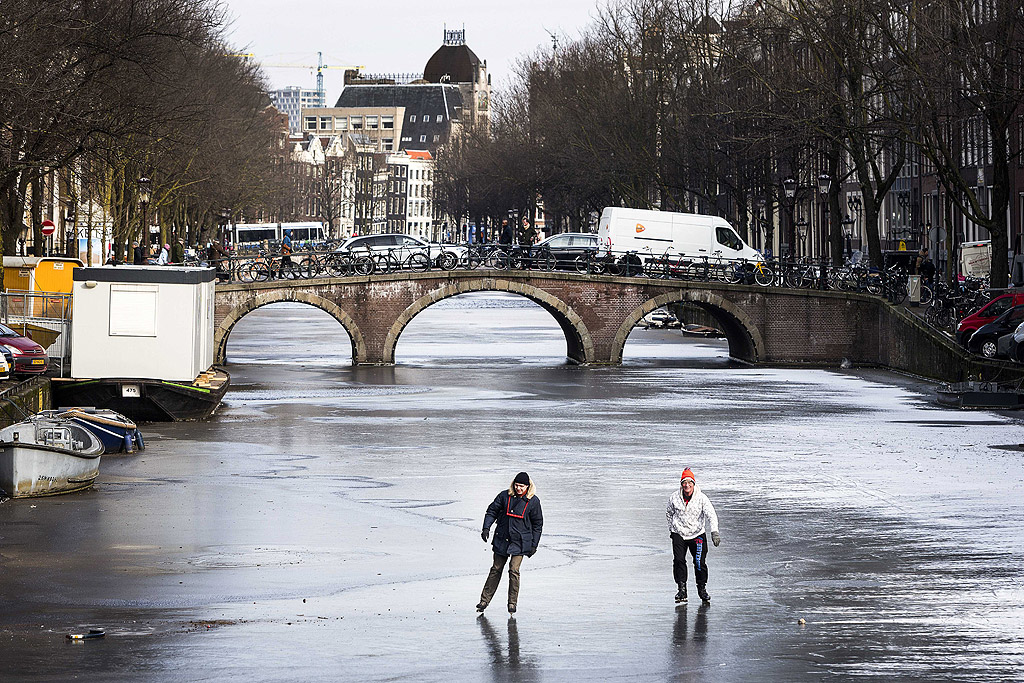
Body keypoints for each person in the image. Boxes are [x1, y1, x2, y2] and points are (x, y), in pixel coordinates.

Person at [477, 472, 543, 615]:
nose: (519, 488)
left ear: (528, 486)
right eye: (517, 485)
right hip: (502, 538)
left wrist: (534, 545)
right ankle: (484, 600)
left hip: (520, 542)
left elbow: (538, 524)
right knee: (496, 568)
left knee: (514, 570)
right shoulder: (504, 496)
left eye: (522, 486)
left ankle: (512, 603)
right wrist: (486, 528)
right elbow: (492, 511)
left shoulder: (533, 501)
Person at [667, 468, 720, 604]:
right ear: (681, 484)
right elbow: (669, 513)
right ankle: (682, 589)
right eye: (684, 482)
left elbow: (711, 515)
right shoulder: (674, 498)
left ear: (694, 484)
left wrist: (714, 532)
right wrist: (672, 530)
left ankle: (702, 589)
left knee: (699, 563)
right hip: (679, 533)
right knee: (679, 561)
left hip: (697, 535)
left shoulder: (702, 498)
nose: (687, 485)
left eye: (690, 482)